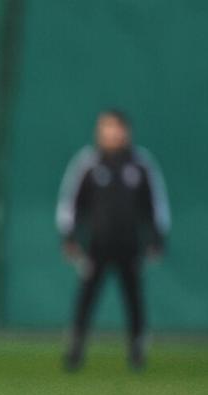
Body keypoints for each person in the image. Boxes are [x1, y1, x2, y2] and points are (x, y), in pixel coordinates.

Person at [55, 109, 170, 372]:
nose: (111, 133)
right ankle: (76, 347)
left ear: (126, 131)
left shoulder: (141, 164)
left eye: (116, 128)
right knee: (86, 297)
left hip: (130, 245)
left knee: (134, 298)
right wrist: (69, 236)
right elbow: (71, 203)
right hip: (96, 245)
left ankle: (137, 349)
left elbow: (156, 204)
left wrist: (157, 237)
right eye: (106, 128)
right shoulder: (88, 163)